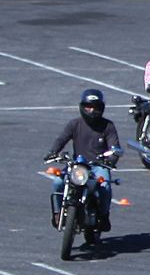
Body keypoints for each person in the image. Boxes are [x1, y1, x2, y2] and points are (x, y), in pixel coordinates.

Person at [45, 88, 122, 232]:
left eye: (95, 107)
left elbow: (114, 146)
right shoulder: (75, 124)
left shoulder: (108, 126)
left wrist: (111, 159)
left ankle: (104, 215)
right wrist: (52, 152)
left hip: (98, 166)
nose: (91, 110)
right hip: (77, 165)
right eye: (88, 106)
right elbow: (61, 139)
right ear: (82, 107)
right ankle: (57, 213)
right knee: (57, 183)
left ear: (101, 108)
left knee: (105, 186)